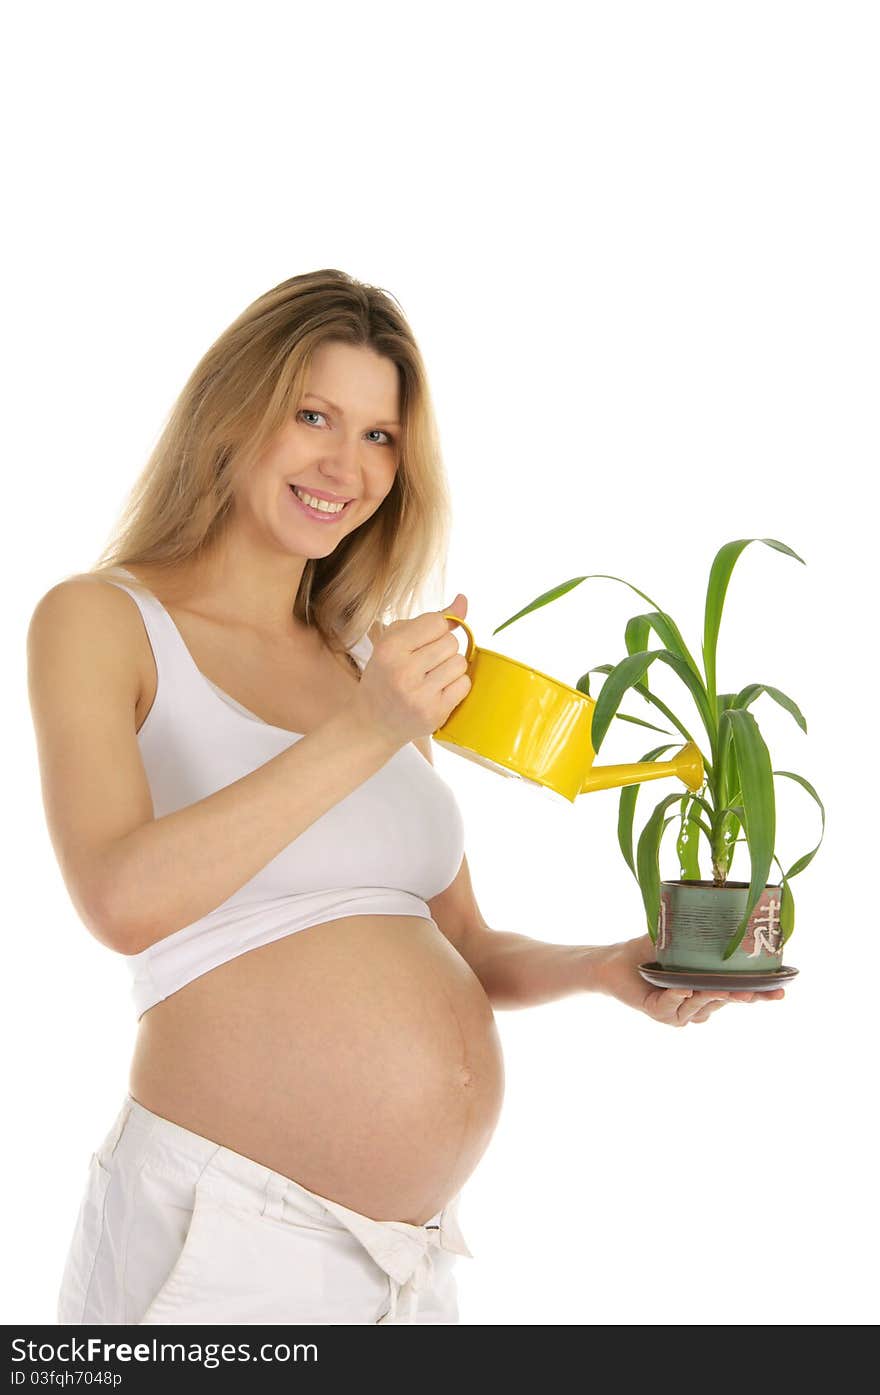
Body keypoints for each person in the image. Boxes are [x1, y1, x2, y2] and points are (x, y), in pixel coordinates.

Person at [26, 269, 783, 1327]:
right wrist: (372, 727)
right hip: (222, 1237)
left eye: (381, 436)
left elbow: (461, 943)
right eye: (313, 415)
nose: (348, 464)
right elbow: (119, 899)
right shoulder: (102, 621)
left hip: (408, 1268)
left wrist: (604, 970)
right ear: (230, 413)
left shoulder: (356, 665)